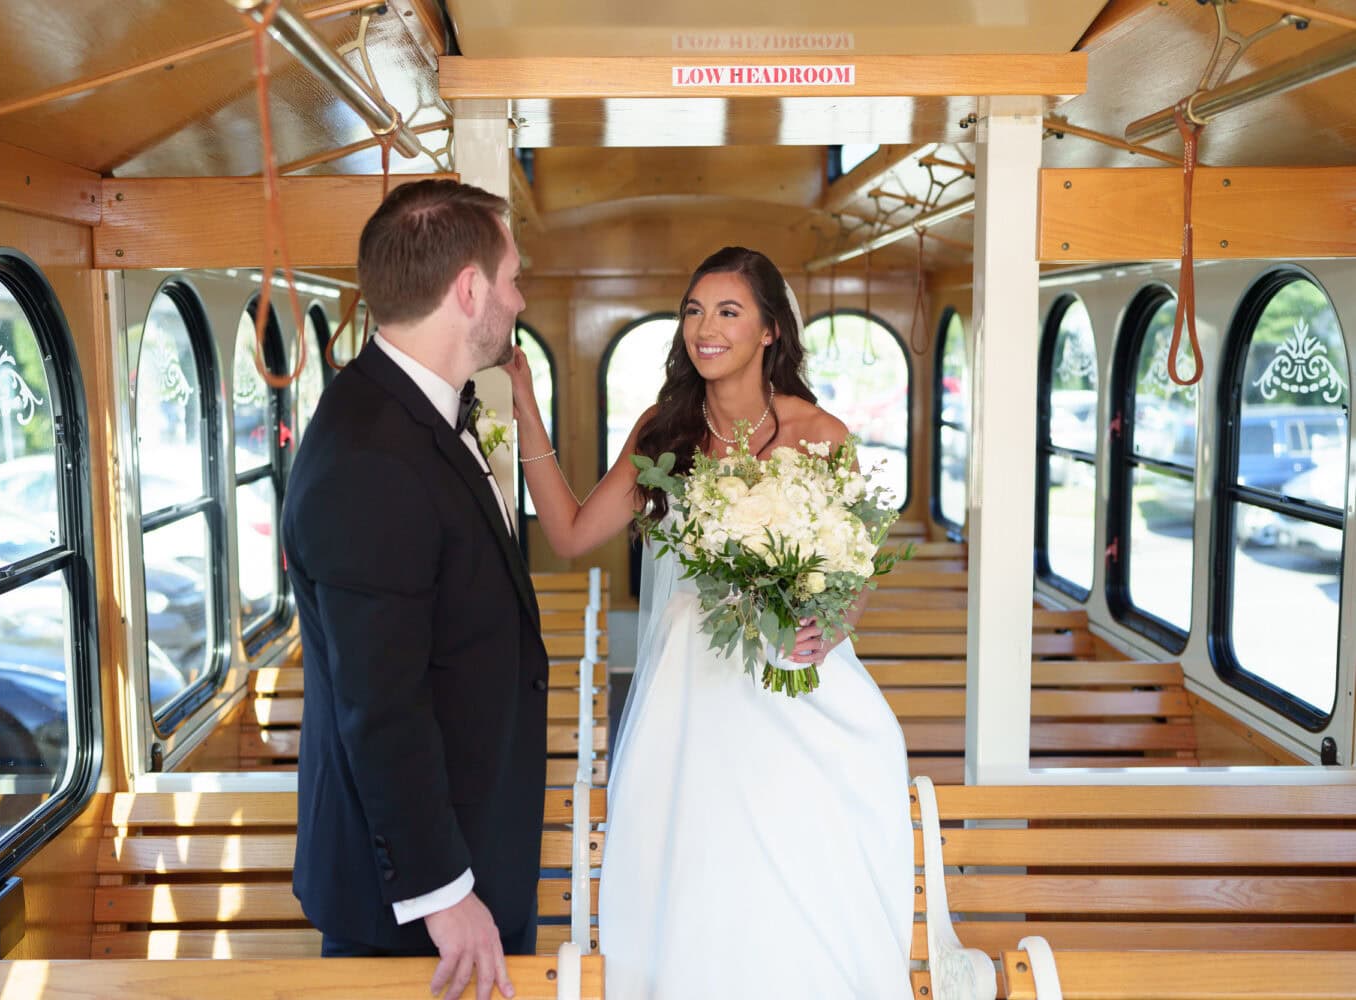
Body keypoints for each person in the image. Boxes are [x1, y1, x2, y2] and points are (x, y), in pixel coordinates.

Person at [505, 246, 914, 998]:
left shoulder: (820, 436)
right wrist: (525, 403)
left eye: (729, 311)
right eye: (694, 310)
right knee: (701, 870)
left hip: (794, 677)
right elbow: (566, 533)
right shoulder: (665, 431)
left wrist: (832, 629)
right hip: (692, 683)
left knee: (802, 864)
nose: (705, 327)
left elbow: (852, 578)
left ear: (770, 333)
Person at [282, 179, 547, 1000]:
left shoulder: (413, 416)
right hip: (418, 906)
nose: (519, 296)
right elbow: (380, 704)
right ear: (469, 290)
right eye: (511, 277)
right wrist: (445, 894)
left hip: (470, 852)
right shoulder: (372, 454)